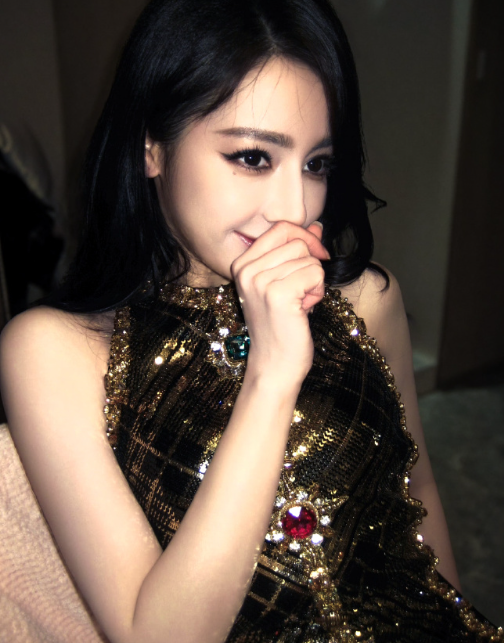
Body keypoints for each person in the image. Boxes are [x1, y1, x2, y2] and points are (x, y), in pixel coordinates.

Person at [0, 0, 502, 641]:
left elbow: (417, 492)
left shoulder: (367, 300)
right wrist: (271, 374)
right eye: (253, 157)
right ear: (151, 146)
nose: (295, 208)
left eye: (317, 164)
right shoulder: (55, 352)